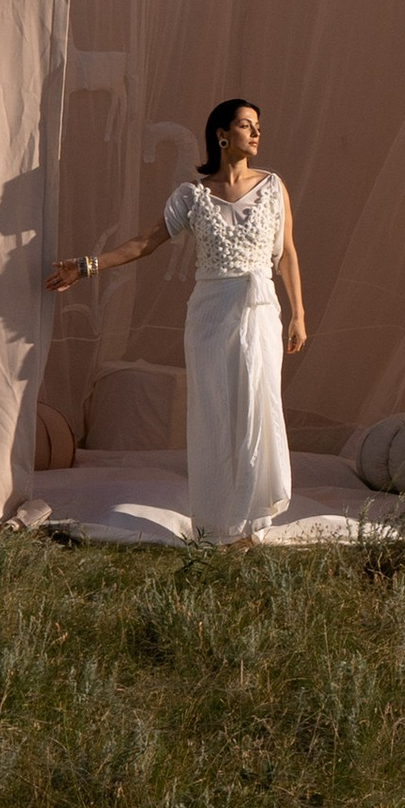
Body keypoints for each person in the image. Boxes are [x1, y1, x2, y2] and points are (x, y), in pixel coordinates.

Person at [46, 97, 306, 543]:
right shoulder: (192, 195)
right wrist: (87, 266)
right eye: (247, 125)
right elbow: (144, 243)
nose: (257, 132)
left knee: (256, 408)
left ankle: (250, 522)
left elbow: (289, 254)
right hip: (209, 316)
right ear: (223, 135)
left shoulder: (274, 186)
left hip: (260, 312)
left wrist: (299, 313)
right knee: (214, 415)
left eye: (258, 125)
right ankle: (217, 523)